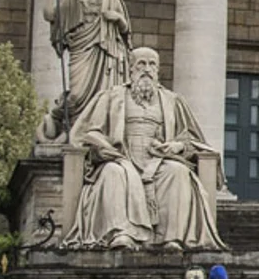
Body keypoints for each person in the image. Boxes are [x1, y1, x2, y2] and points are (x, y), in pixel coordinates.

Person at [69, 45, 227, 250]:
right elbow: (87, 132)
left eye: (152, 64)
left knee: (178, 172)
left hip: (157, 162)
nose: (147, 69)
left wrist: (177, 146)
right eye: (141, 64)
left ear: (158, 70)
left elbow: (193, 139)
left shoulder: (173, 101)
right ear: (131, 69)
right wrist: (106, 147)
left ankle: (171, 239)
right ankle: (122, 233)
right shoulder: (111, 97)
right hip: (122, 158)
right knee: (112, 173)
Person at [45, 0, 133, 139]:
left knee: (105, 97)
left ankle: (95, 134)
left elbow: (126, 31)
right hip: (81, 49)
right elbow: (50, 15)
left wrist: (118, 18)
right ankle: (70, 128)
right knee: (76, 95)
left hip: (106, 51)